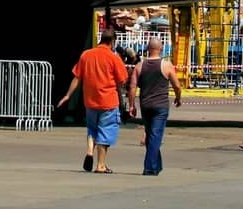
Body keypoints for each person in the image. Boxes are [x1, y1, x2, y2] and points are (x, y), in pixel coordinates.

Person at [57, 28, 130, 174]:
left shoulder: (86, 55)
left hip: (90, 101)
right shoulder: (113, 57)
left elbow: (77, 77)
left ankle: (90, 151)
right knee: (106, 131)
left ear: (100, 39)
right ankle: (101, 165)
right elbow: (123, 80)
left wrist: (67, 95)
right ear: (112, 41)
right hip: (108, 101)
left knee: (92, 129)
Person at [130, 39, 183, 176]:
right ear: (161, 49)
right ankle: (149, 167)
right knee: (155, 136)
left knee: (151, 135)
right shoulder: (166, 65)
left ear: (148, 48)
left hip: (145, 105)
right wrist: (178, 97)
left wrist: (131, 105)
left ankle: (156, 166)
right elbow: (177, 85)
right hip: (161, 106)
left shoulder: (139, 66)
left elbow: (132, 87)